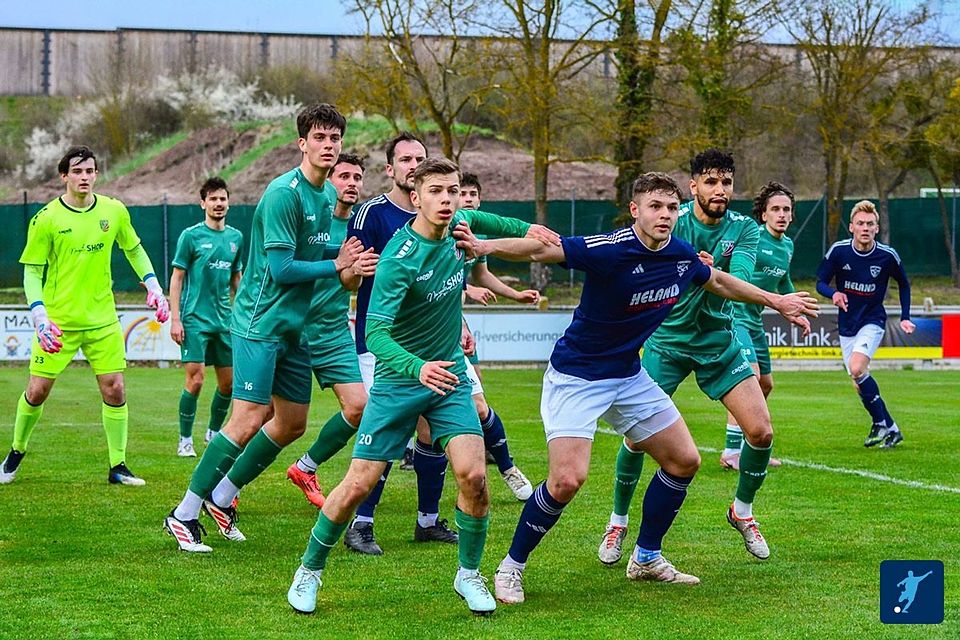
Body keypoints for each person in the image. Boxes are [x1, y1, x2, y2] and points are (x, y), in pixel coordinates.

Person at [448, 172, 816, 605]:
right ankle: (511, 567)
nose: (664, 214)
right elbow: (546, 248)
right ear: (636, 210)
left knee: (684, 460)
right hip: (577, 377)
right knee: (567, 480)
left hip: (627, 376)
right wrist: (486, 247)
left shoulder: (679, 254)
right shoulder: (611, 249)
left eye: (671, 207)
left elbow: (717, 281)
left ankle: (646, 557)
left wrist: (778, 301)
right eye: (655, 207)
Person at [285, 157, 561, 617]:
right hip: (399, 382)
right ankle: (309, 570)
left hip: (449, 378)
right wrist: (417, 368)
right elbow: (375, 334)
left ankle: (468, 574)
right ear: (416, 197)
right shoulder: (398, 256)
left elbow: (511, 227)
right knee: (356, 485)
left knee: (473, 477)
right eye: (436, 191)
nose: (447, 199)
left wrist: (531, 228)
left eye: (453, 190)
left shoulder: (462, 228)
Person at [163, 104, 373, 553]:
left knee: (292, 424)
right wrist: (336, 263)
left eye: (335, 138)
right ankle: (183, 513)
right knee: (246, 419)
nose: (329, 146)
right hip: (260, 324)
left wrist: (349, 268)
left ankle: (221, 497)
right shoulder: (284, 193)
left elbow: (330, 269)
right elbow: (279, 269)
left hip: (295, 330)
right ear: (302, 143)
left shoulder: (322, 198)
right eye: (320, 138)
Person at [600, 150, 782, 565]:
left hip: (719, 341)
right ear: (694, 186)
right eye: (711, 182)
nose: (721, 190)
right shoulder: (671, 218)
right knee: (635, 437)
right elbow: (641, 261)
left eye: (727, 182)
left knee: (761, 432)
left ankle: (743, 511)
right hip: (666, 341)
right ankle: (617, 521)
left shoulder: (744, 229)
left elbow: (739, 278)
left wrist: (708, 270)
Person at [0, 145, 169, 486]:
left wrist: (153, 284)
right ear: (64, 176)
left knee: (115, 389)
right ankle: (14, 454)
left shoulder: (114, 211)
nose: (85, 177)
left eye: (90, 171)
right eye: (77, 172)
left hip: (103, 320)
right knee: (37, 391)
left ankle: (118, 466)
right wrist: (39, 314)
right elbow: (32, 272)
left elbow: (134, 249)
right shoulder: (46, 219)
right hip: (58, 324)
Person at [341, 132, 457, 555]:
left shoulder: (445, 216)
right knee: (387, 431)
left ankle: (427, 521)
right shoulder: (372, 214)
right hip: (383, 346)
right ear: (390, 168)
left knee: (430, 431)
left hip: (432, 346)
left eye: (419, 159)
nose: (412, 165)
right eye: (405, 159)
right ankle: (362, 523)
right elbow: (347, 276)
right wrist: (356, 269)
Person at [286, 153, 369, 508]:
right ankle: (227, 486)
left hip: (334, 331)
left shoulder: (360, 229)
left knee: (358, 406)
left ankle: (306, 467)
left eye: (357, 177)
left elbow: (353, 282)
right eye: (344, 176)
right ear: (328, 180)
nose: (351, 183)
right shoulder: (308, 219)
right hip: (293, 331)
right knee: (268, 420)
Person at [458, 171, 535, 501]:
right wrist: (466, 290)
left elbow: (482, 274)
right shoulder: (431, 231)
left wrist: (514, 295)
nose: (467, 198)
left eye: (472, 193)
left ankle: (506, 466)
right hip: (430, 328)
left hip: (453, 327)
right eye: (461, 192)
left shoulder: (477, 235)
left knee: (478, 403)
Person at [816, 200, 914, 449]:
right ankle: (891, 428)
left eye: (870, 224)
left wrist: (905, 316)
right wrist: (833, 294)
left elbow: (904, 284)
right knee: (858, 380)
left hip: (873, 320)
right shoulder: (838, 251)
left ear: (877, 228)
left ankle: (880, 423)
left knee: (857, 368)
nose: (865, 228)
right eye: (860, 223)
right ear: (851, 227)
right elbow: (820, 282)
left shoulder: (887, 255)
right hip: (847, 323)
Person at [720, 182, 796, 470]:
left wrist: (794, 309)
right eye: (775, 209)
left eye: (786, 209)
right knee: (748, 379)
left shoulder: (787, 245)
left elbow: (783, 283)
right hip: (735, 315)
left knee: (765, 384)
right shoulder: (752, 237)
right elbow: (731, 273)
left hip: (755, 320)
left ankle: (743, 444)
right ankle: (731, 451)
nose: (781, 214)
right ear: (763, 215)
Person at [169, 177, 244, 457]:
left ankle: (213, 433)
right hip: (194, 320)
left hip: (224, 321)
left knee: (229, 384)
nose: (218, 203)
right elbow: (177, 278)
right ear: (203, 203)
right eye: (212, 199)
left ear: (228, 202)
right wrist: (175, 318)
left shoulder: (236, 238)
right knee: (196, 380)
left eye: (222, 198)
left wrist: (246, 312)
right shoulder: (191, 236)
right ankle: (184, 440)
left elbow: (238, 280)